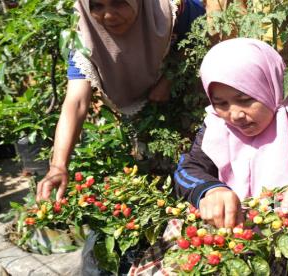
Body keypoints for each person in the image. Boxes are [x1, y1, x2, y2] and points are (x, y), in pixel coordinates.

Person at [36, 0, 205, 202]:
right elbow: (76, 102)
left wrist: (169, 78)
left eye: (118, 3)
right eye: (97, 6)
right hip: (144, 114)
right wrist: (58, 165)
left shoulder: (172, 9)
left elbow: (203, 32)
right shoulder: (86, 36)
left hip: (192, 102)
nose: (108, 15)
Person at [174, 37, 288, 229]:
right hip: (235, 244)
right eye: (221, 103)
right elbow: (188, 168)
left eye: (245, 99)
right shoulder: (217, 126)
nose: (235, 115)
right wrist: (209, 190)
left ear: (271, 87)